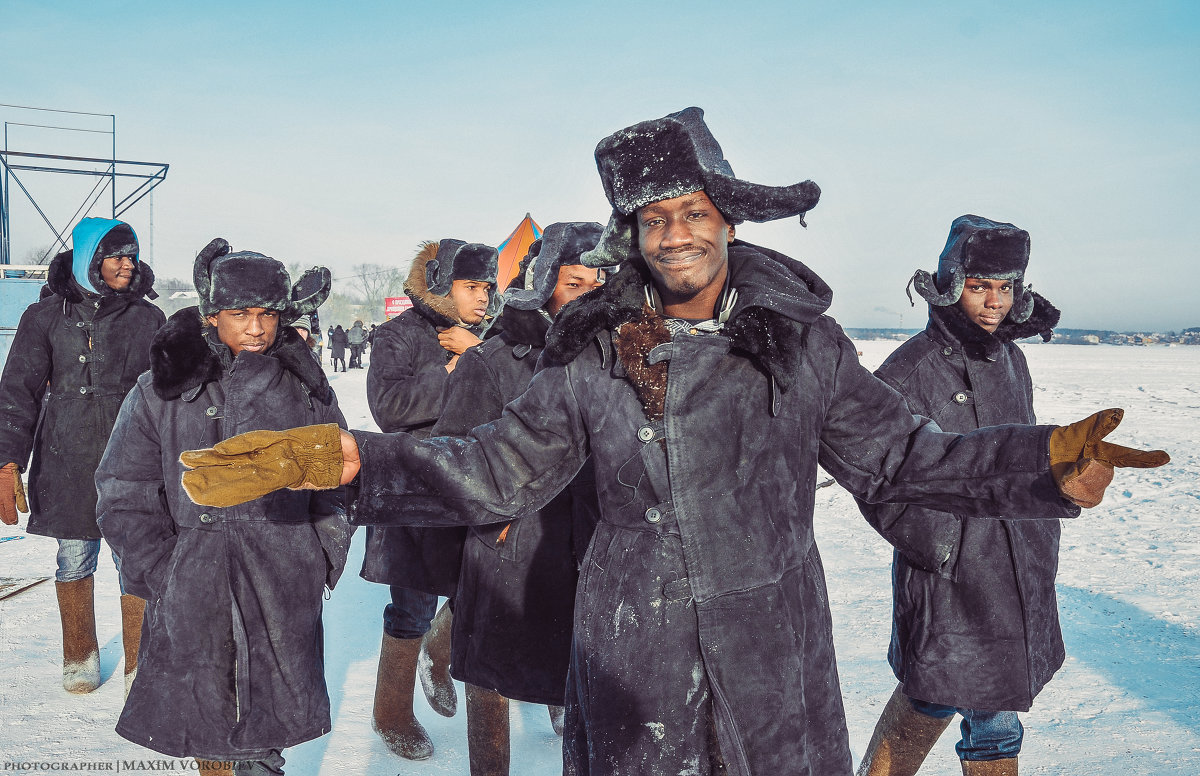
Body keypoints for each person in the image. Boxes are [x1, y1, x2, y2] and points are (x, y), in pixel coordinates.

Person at [178, 108, 1168, 776]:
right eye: (654, 216)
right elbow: (496, 466)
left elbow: (907, 457)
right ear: (633, 233)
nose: (676, 231)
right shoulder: (590, 356)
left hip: (772, 663)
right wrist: (354, 461)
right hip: (626, 662)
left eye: (695, 210)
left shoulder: (804, 346)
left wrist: (1040, 462)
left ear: (726, 221)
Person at [95, 240, 350, 776]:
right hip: (193, 579)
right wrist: (162, 568)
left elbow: (339, 480)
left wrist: (321, 551)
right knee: (207, 720)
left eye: (267, 314)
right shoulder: (158, 393)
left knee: (267, 723)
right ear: (212, 317)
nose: (255, 328)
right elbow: (124, 490)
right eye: (239, 314)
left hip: (281, 573)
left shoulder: (305, 392)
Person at [854, 216, 1068, 776]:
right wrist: (945, 546)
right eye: (980, 286)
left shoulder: (1011, 360)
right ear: (952, 283)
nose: (995, 301)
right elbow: (879, 480)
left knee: (998, 722)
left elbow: (1015, 455)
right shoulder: (908, 368)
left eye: (1006, 286)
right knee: (929, 696)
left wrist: (1050, 499)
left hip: (1016, 567)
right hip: (950, 575)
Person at [431, 223, 606, 775]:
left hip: (589, 543)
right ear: (544, 283)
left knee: (587, 680)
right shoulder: (493, 361)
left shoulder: (613, 355)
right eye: (576, 283)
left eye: (599, 283)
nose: (589, 297)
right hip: (508, 545)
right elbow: (456, 460)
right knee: (493, 674)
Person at [0, 217, 163, 695]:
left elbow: (172, 394)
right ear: (90, 259)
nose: (126, 265)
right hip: (65, 455)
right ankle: (80, 655)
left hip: (132, 457)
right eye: (115, 256)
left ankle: (139, 663)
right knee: (74, 557)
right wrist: (8, 460)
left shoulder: (148, 319)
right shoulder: (44, 317)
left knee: (136, 560)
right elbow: (16, 393)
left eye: (131, 255)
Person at [363, 239, 501, 760]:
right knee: (410, 606)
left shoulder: (491, 336)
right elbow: (389, 408)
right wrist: (450, 371)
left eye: (487, 286)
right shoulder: (396, 336)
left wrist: (480, 356)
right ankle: (390, 710)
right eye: (472, 287)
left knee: (478, 590)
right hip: (415, 491)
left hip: (478, 483)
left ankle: (439, 654)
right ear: (441, 285)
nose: (484, 297)